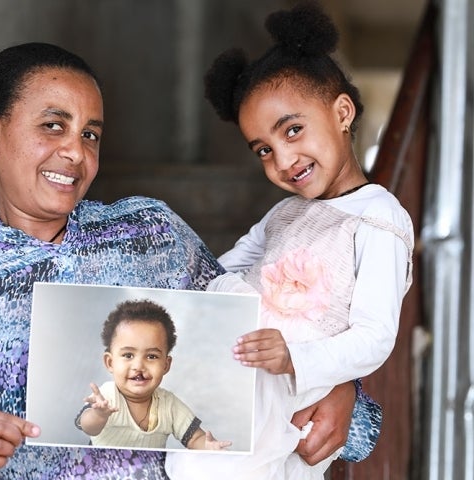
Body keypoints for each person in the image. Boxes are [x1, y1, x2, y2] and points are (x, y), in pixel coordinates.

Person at [0, 41, 381, 480]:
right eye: (53, 126)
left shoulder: (150, 233)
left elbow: (262, 333)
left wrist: (342, 390)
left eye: (90, 134)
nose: (75, 152)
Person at [165, 3, 414, 480]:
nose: (283, 160)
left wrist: (293, 358)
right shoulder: (285, 213)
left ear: (342, 112)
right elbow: (224, 273)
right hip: (249, 376)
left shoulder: (379, 216)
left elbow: (374, 337)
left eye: (293, 130)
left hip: (297, 382)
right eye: (264, 150)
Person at [76, 299, 231, 450]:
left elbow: (195, 438)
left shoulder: (169, 405)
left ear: (166, 365)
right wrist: (99, 415)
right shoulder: (107, 396)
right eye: (128, 355)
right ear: (110, 362)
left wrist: (207, 446)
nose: (138, 366)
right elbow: (88, 427)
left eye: (151, 356)